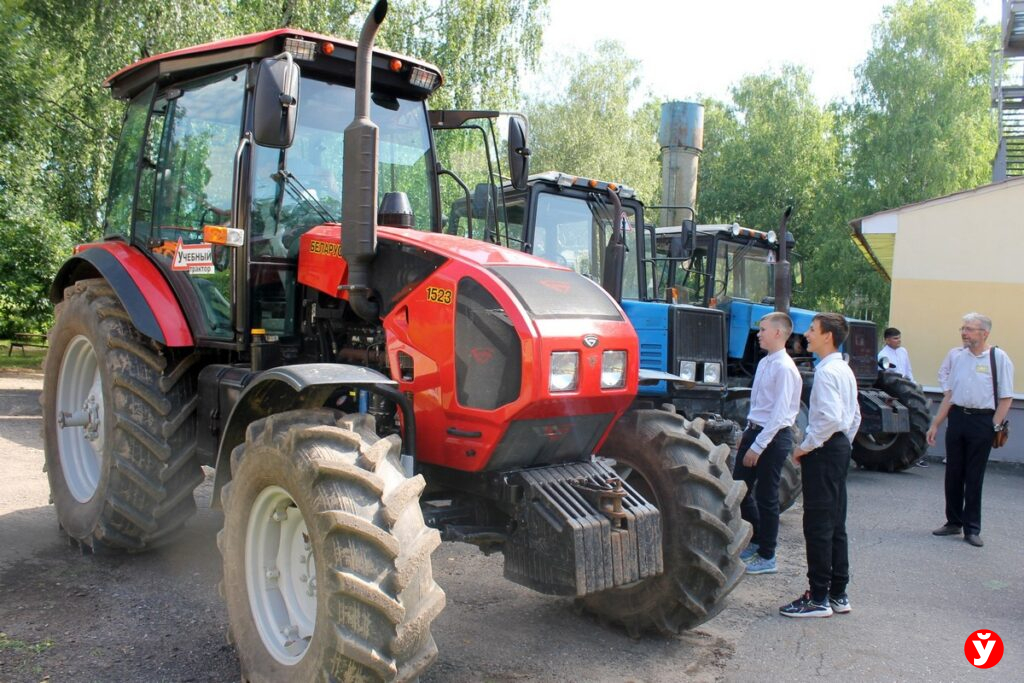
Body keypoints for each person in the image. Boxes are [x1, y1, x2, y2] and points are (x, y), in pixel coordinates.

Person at [780, 312, 861, 618]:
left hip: (825, 449)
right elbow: (853, 417)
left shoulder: (827, 372)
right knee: (835, 522)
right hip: (838, 447)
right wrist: (843, 444)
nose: (807, 334)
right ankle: (838, 593)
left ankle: (818, 597)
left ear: (828, 336)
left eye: (812, 330)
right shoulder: (844, 369)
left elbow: (828, 418)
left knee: (818, 525)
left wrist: (805, 447)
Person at [926, 313, 1014, 548]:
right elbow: (950, 395)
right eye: (963, 328)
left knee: (974, 477)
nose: (964, 333)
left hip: (983, 422)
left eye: (970, 329)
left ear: (984, 333)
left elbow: (1006, 397)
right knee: (953, 473)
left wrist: (993, 425)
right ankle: (953, 521)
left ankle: (972, 528)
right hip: (958, 418)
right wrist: (936, 424)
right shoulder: (959, 357)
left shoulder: (998, 358)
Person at [734, 312, 802, 575]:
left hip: (773, 437)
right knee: (739, 489)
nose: (759, 334)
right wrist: (746, 433)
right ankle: (757, 538)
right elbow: (759, 405)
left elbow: (779, 413)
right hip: (755, 430)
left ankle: (768, 555)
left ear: (777, 333)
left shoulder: (785, 368)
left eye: (763, 330)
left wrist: (758, 446)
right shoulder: (765, 363)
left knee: (767, 496)